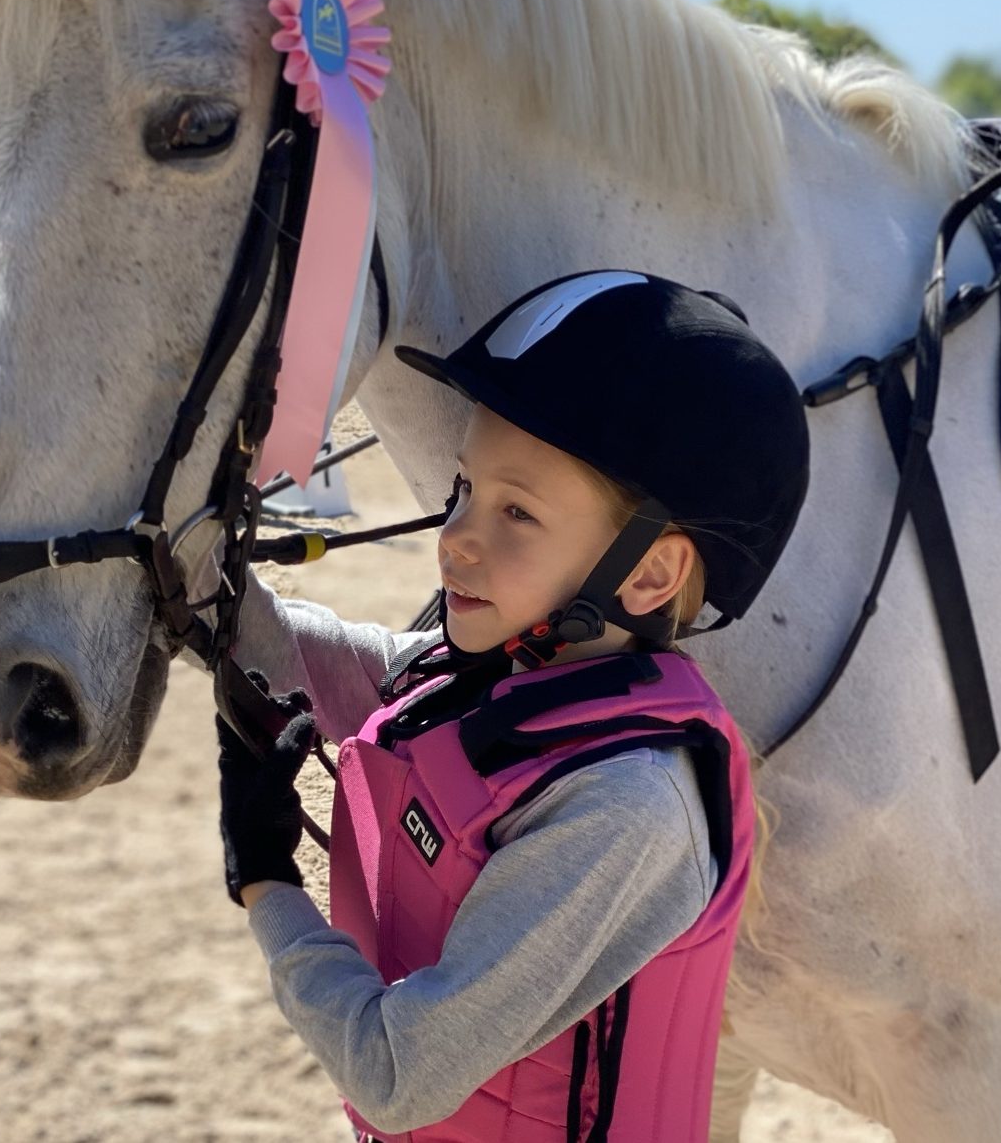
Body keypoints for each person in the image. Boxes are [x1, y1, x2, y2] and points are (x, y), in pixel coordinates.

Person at [217, 269, 810, 1142]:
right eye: (464, 490)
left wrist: (269, 885)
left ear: (649, 575)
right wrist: (204, 574)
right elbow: (313, 658)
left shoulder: (627, 808)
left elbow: (396, 1075)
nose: (455, 538)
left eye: (517, 513)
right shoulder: (495, 683)